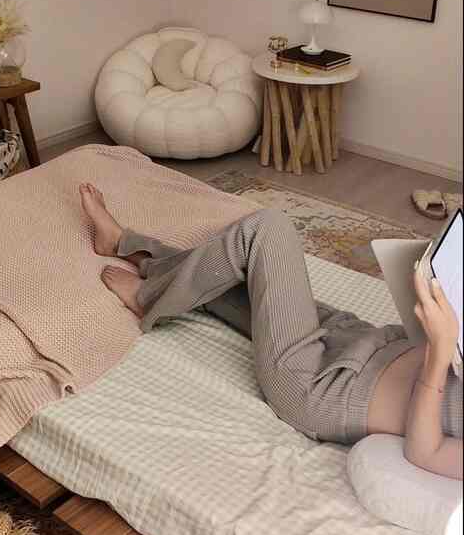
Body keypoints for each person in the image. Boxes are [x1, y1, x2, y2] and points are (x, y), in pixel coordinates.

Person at [79, 184, 463, 481]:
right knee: (240, 279)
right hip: (370, 340)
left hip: (321, 389)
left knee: (265, 230)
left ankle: (146, 295)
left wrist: (440, 351)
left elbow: (425, 453)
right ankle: (130, 249)